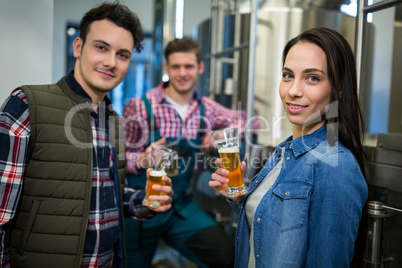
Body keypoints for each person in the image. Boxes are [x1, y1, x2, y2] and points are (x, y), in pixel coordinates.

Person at [0, 2, 173, 268]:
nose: (110, 62)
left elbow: (105, 195)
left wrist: (147, 201)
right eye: (101, 47)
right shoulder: (26, 104)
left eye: (122, 54)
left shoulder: (114, 122)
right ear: (78, 47)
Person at [209, 27, 368, 267]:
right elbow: (273, 228)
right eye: (288, 75)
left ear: (339, 89)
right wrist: (241, 197)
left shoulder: (336, 166)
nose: (293, 91)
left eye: (312, 78)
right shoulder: (286, 152)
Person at [122, 37, 259, 267]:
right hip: (143, 206)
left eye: (189, 66)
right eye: (176, 66)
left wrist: (217, 134)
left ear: (200, 67)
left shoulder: (207, 108)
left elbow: (250, 122)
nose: (182, 73)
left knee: (227, 256)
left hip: (180, 208)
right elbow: (116, 159)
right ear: (167, 68)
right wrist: (143, 158)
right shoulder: (139, 107)